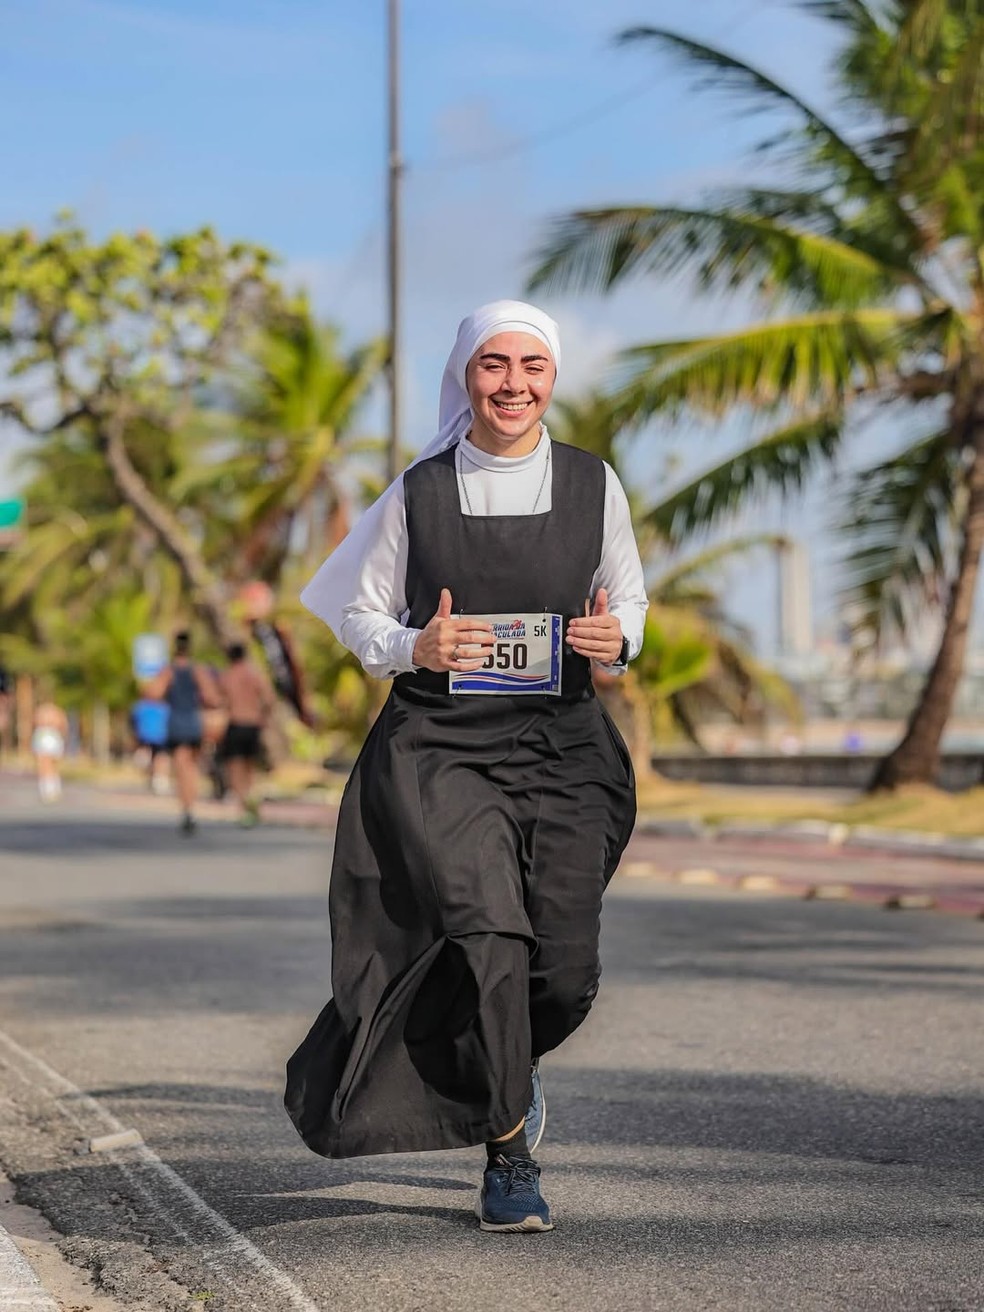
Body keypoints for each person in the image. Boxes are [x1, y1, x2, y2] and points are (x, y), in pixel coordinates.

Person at [285, 300, 648, 1234]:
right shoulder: (419, 490)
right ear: (466, 376)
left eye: (532, 366)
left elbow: (630, 602)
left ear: (553, 378)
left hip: (565, 745)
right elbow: (360, 618)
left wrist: (619, 637)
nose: (513, 384)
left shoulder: (593, 483)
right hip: (443, 747)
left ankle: (508, 1067)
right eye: (494, 365)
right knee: (489, 939)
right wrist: (421, 643)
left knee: (563, 971)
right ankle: (509, 1150)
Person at [146, 632, 220, 834]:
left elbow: (153, 693)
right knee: (192, 768)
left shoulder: (168, 671)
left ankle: (186, 809)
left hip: (177, 722)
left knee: (181, 768)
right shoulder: (198, 670)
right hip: (193, 721)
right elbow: (212, 697)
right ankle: (191, 808)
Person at [217, 642, 275, 827]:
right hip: (253, 725)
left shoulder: (228, 676)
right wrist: (263, 716)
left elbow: (220, 700)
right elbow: (269, 698)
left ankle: (243, 807)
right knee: (250, 766)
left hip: (236, 723)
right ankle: (251, 800)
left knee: (235, 767)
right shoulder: (253, 674)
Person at [130, 696, 170, 795]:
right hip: (148, 737)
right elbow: (133, 721)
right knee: (154, 758)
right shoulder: (141, 706)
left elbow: (132, 721)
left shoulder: (141, 706)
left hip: (159, 737)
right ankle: (156, 779)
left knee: (159, 758)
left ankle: (158, 779)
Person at [32, 700, 68, 802]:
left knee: (50, 764)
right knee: (43, 764)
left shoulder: (55, 713)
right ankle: (47, 788)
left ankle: (52, 788)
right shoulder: (43, 712)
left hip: (51, 737)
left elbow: (62, 724)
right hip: (44, 737)